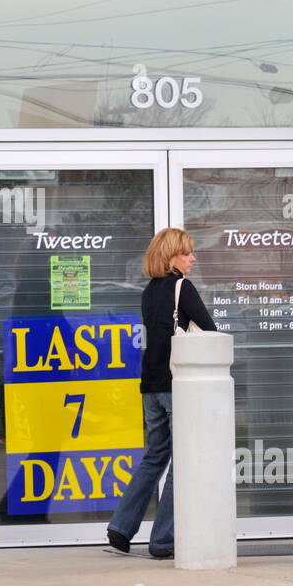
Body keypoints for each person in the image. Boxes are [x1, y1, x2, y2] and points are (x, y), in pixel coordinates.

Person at [106, 227, 216, 558]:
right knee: (182, 461)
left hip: (150, 387)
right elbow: (210, 331)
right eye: (187, 253)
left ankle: (121, 528)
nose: (193, 258)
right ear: (171, 257)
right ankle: (164, 540)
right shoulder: (183, 288)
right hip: (174, 385)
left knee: (155, 456)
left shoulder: (149, 292)